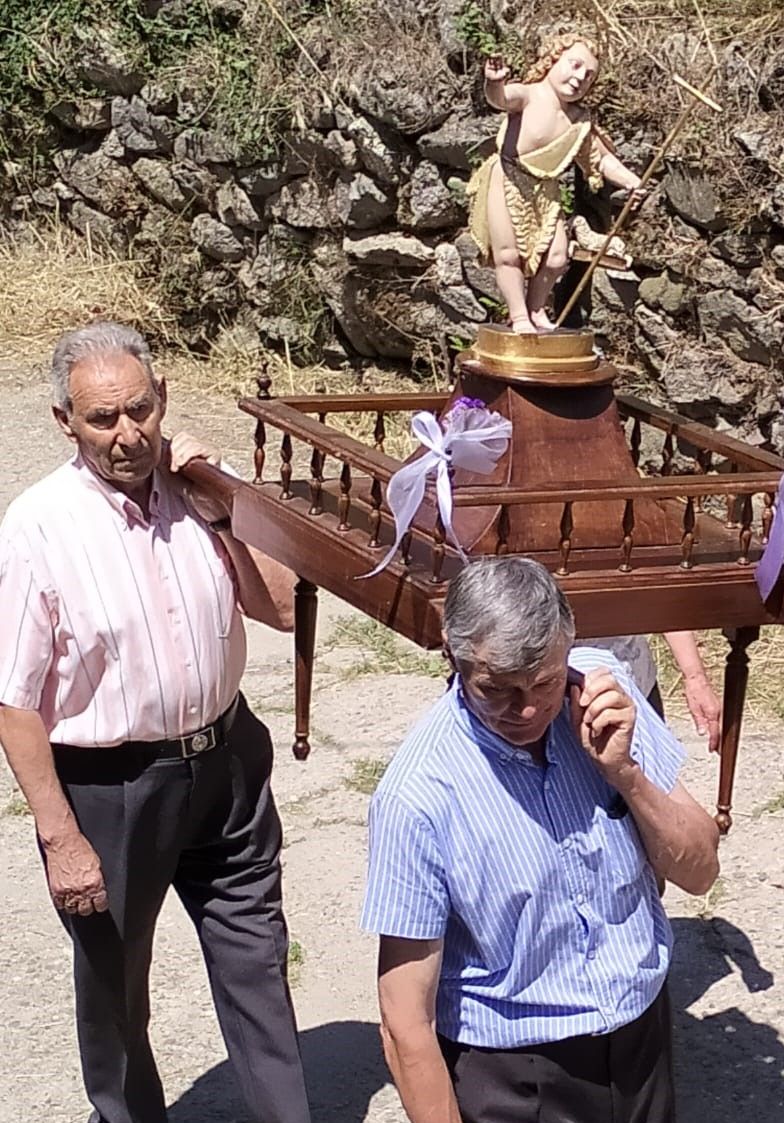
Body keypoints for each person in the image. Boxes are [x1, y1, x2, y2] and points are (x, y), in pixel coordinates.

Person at [0, 322, 310, 1123]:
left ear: (163, 398)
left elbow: (279, 607)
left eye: (140, 409)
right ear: (65, 421)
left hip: (227, 762)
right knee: (115, 989)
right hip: (112, 786)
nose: (128, 433)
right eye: (103, 418)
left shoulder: (203, 488)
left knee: (259, 963)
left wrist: (223, 508)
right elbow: (13, 700)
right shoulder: (37, 526)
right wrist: (60, 835)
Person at [362, 555, 720, 1123]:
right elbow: (405, 1019)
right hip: (516, 1075)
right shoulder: (418, 798)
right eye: (497, 689)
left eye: (546, 682)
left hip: (639, 1044)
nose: (527, 708)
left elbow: (700, 873)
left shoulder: (605, 692)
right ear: (453, 661)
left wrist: (625, 774)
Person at [466, 29, 648, 333]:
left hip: (546, 192)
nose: (579, 78)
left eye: (589, 76)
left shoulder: (578, 120)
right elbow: (499, 99)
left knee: (556, 257)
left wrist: (630, 181)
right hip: (508, 179)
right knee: (508, 255)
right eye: (574, 65)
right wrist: (494, 81)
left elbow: (600, 159)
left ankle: (536, 309)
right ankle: (519, 316)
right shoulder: (529, 94)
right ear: (553, 60)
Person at [585, 630, 723, 751]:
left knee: (655, 774)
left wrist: (696, 679)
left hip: (638, 683)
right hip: (574, 699)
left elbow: (667, 606)